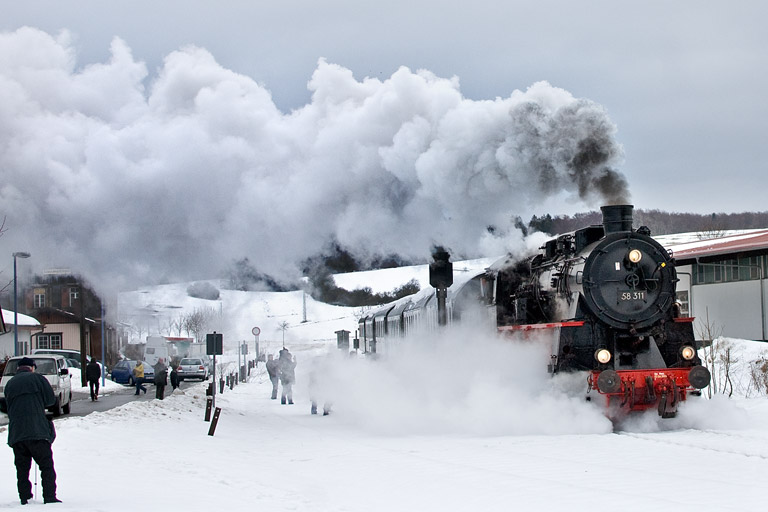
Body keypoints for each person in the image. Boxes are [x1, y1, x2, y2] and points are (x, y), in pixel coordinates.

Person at [5, 357, 62, 504]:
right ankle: (49, 497)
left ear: (18, 368)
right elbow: (51, 400)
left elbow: (5, 407)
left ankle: (24, 498)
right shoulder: (38, 379)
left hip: (17, 433)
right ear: (31, 367)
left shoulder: (9, 384)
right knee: (46, 466)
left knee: (22, 469)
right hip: (38, 432)